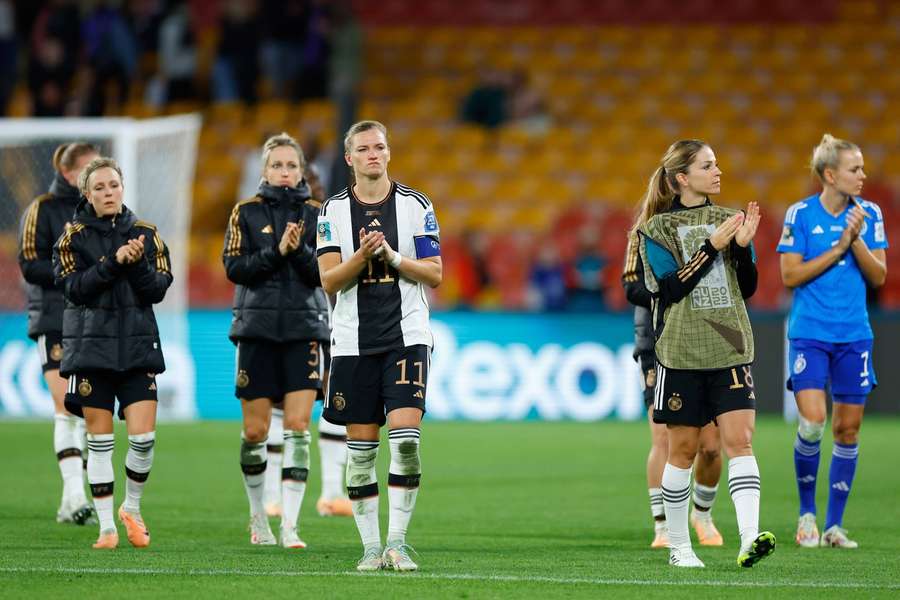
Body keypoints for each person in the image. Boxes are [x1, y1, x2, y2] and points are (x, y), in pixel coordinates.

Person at [637, 139, 774, 568]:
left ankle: (749, 539)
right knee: (683, 450)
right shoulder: (654, 230)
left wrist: (742, 248)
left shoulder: (729, 219)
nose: (718, 171)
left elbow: (746, 287)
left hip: (730, 345)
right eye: (708, 165)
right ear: (682, 178)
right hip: (680, 352)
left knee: (740, 441)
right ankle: (679, 546)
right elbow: (670, 288)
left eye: (717, 164)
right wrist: (713, 246)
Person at [316, 120, 442, 571]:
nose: (374, 154)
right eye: (364, 148)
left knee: (406, 442)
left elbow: (435, 272)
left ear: (389, 153)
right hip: (352, 341)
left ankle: (397, 543)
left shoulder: (416, 205)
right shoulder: (331, 212)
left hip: (407, 336)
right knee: (362, 452)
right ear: (349, 158)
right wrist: (362, 257)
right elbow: (328, 279)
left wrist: (391, 256)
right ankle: (370, 547)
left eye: (380, 147)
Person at [52, 157, 172, 549]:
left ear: (123, 188)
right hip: (91, 352)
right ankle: (107, 528)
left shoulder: (147, 234)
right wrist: (113, 262)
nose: (108, 193)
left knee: (144, 440)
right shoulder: (72, 237)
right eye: (99, 187)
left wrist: (134, 264)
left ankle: (131, 508)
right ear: (87, 193)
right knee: (99, 441)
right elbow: (73, 290)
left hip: (137, 348)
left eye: (113, 185)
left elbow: (156, 289)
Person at [777, 134, 888, 549]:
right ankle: (806, 514)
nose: (862, 175)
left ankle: (832, 526)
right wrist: (839, 245)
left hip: (854, 334)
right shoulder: (800, 214)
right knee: (812, 422)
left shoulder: (869, 214)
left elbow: (878, 276)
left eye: (861, 168)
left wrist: (854, 239)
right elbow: (790, 276)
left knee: (848, 429)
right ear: (830, 174)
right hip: (810, 333)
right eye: (854, 169)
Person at [223, 133, 330, 548]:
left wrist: (296, 252)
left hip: (305, 329)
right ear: (264, 171)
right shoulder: (245, 213)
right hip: (257, 331)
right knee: (255, 431)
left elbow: (325, 273)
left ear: (301, 171)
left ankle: (290, 525)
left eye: (291, 166)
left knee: (300, 428)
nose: (284, 172)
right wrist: (276, 253)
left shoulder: (320, 214)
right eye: (276, 166)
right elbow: (234, 267)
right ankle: (258, 518)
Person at [623, 229, 724, 550]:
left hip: (706, 341)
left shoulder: (704, 227)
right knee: (663, 437)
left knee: (710, 445)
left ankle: (702, 514)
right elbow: (631, 286)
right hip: (658, 343)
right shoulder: (644, 232)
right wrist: (668, 292)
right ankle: (663, 525)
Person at [261, 163, 352, 519]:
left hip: (330, 320)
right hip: (287, 323)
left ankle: (331, 492)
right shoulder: (267, 219)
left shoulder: (331, 220)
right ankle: (275, 496)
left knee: (334, 399)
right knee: (281, 407)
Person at [18, 142, 99, 525]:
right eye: (90, 167)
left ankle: (72, 501)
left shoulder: (99, 212)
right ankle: (73, 494)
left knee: (85, 407)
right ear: (70, 173)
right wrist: (74, 274)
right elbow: (29, 265)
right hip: (53, 318)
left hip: (93, 320)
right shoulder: (43, 209)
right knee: (65, 404)